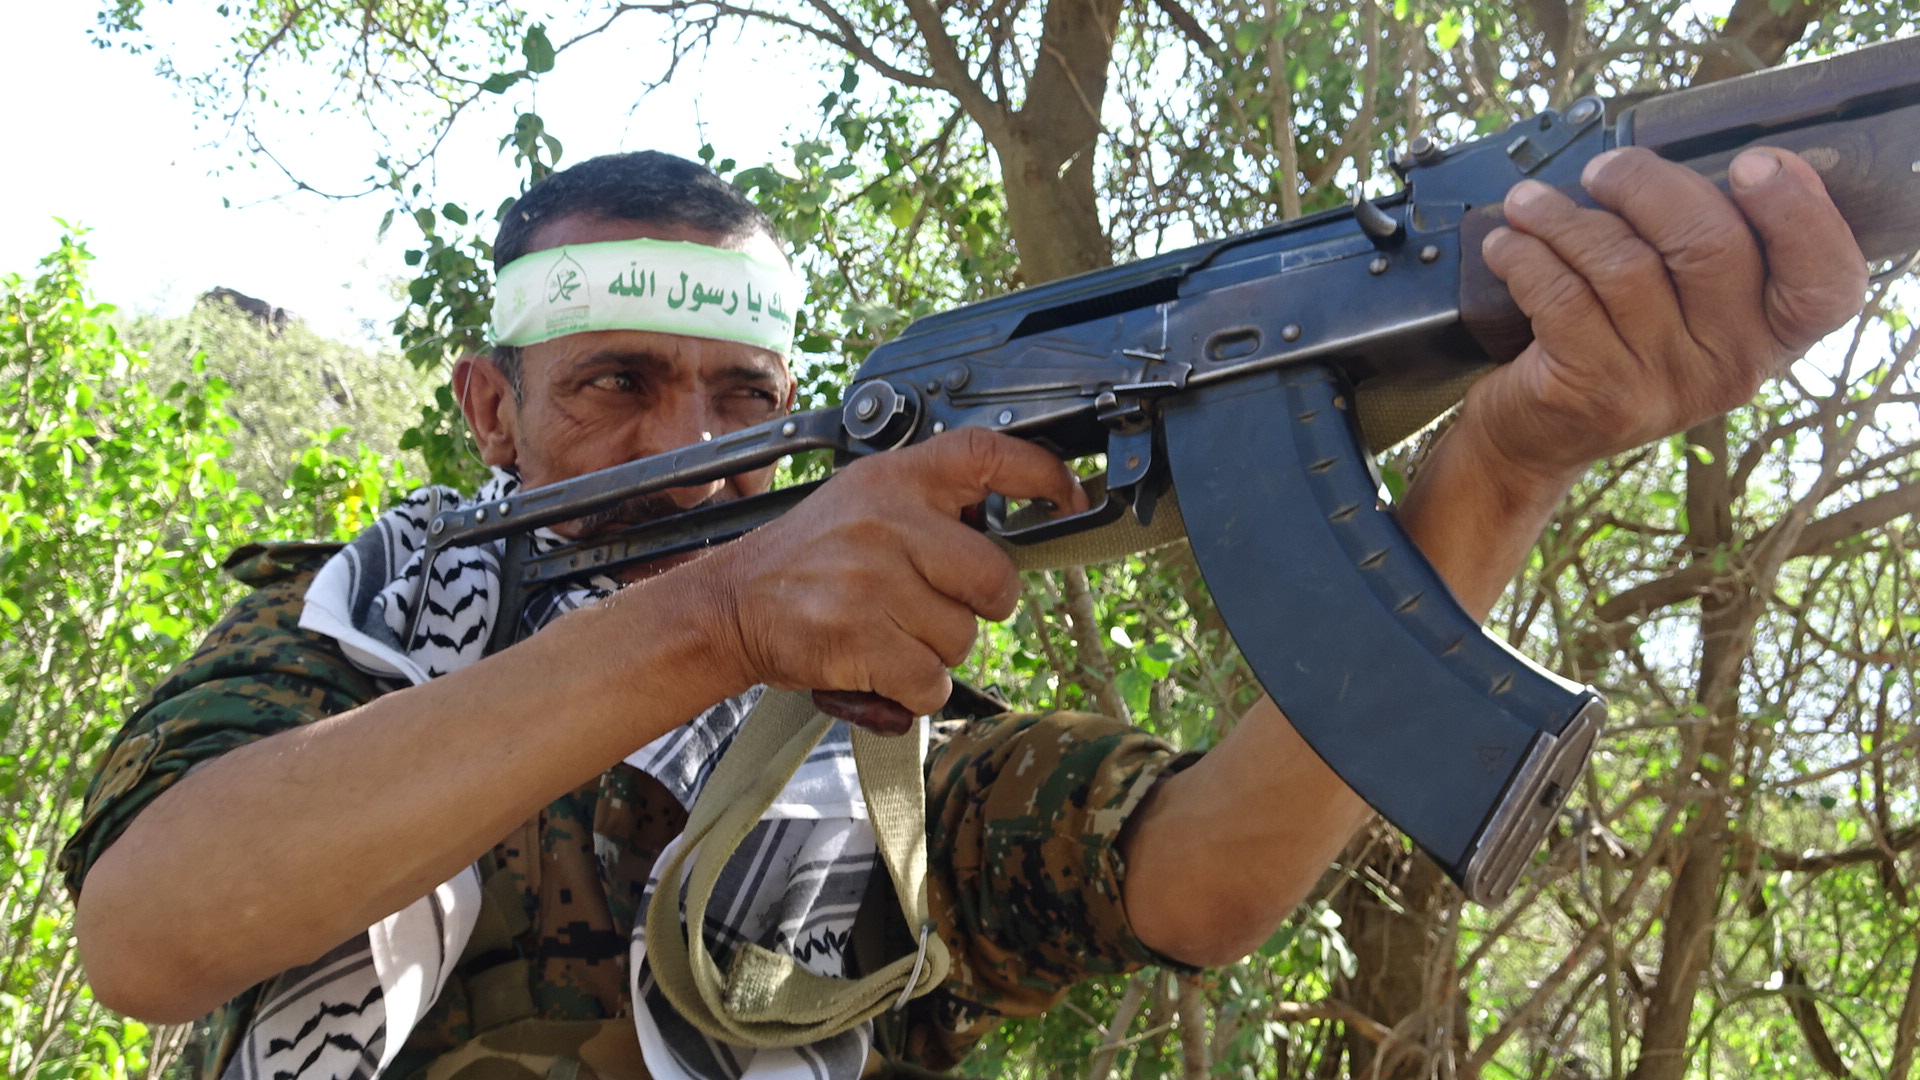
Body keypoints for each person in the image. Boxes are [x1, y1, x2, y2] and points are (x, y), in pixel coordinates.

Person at [61, 143, 1866, 1080]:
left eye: (744, 397)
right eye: (616, 384)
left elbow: (1197, 878)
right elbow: (150, 934)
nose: (687, 448)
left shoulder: (860, 741)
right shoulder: (355, 638)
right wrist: (713, 622)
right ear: (488, 406)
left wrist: (1503, 466)